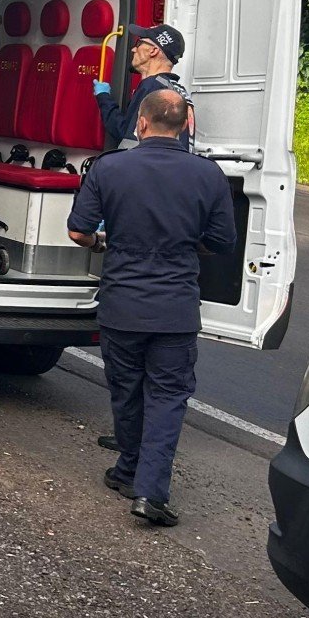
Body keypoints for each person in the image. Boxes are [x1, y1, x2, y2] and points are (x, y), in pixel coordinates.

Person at [67, 89, 236, 525]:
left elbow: (78, 232)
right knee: (166, 397)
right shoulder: (208, 175)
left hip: (122, 303)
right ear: (184, 126)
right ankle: (150, 493)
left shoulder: (110, 167)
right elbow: (222, 242)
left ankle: (127, 469)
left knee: (126, 390)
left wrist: (106, 241)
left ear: (141, 122)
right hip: (175, 309)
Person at [94, 22, 193, 149]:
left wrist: (103, 97)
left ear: (153, 51)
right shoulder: (178, 90)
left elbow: (125, 133)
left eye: (139, 43)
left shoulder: (151, 87)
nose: (133, 49)